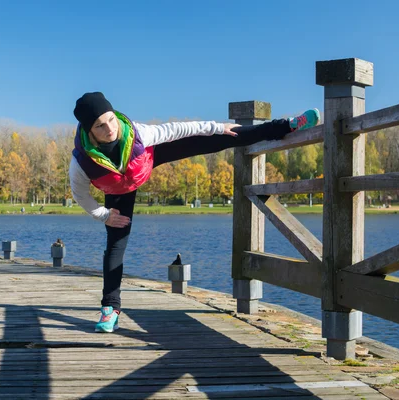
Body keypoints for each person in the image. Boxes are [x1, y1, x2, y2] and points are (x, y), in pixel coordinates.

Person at [69, 92, 319, 333]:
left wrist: (216, 128)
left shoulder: (139, 134)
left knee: (221, 136)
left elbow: (180, 129)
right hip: (118, 187)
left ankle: (287, 125)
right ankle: (110, 309)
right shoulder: (81, 163)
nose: (110, 129)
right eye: (100, 126)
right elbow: (81, 196)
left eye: (111, 119)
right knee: (115, 244)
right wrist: (104, 214)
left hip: (143, 159)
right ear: (90, 131)